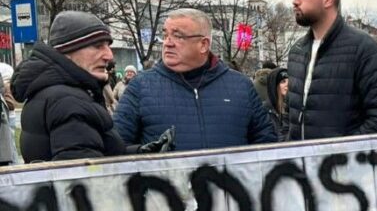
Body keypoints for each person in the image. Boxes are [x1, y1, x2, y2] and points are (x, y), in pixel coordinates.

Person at [114, 8, 276, 151]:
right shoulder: (141, 87)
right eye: (165, 35)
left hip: (229, 184)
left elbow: (267, 146)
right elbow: (116, 148)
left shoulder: (241, 86)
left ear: (203, 44)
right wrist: (144, 155)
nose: (167, 43)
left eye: (177, 36)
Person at [286, 0, 377, 139]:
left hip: (343, 164)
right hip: (299, 164)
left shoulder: (362, 48)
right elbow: (289, 117)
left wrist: (341, 154)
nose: (295, 0)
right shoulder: (297, 51)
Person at [11, 11, 130, 162]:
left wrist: (142, 153)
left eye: (107, 45)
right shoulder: (69, 102)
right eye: (97, 46)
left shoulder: (51, 93)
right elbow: (85, 177)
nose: (109, 55)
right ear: (66, 52)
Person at [263, 66, 288, 140]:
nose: (288, 84)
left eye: (290, 81)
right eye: (283, 82)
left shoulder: (294, 107)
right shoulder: (265, 110)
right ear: (274, 86)